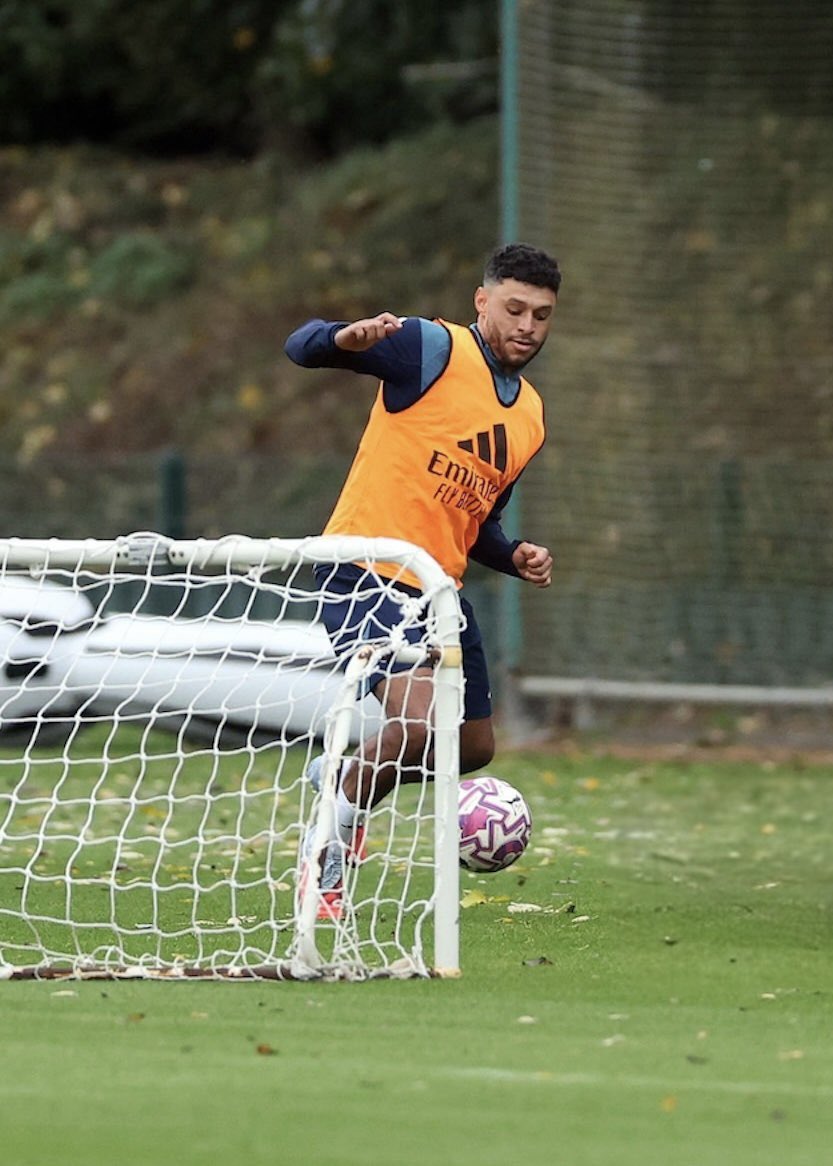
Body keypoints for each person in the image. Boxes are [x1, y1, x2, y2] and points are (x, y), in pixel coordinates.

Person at [284, 241, 561, 917]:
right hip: (366, 570)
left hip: (439, 590)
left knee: (471, 749)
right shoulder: (427, 348)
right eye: (514, 308)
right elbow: (301, 347)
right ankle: (326, 851)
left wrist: (513, 552)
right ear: (482, 300)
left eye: (542, 315)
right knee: (412, 726)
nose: (526, 325)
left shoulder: (528, 416)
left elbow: (476, 519)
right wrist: (341, 339)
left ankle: (340, 777)